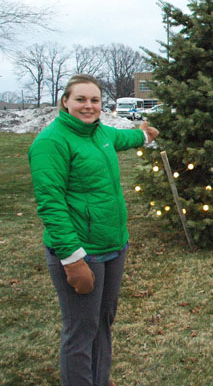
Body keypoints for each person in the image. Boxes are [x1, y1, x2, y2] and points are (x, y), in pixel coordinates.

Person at [28, 74, 159, 386]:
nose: (89, 106)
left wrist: (144, 136)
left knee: (102, 323)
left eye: (95, 100)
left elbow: (121, 139)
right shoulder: (51, 142)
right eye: (81, 100)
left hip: (114, 246)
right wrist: (73, 260)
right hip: (84, 254)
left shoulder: (98, 133)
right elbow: (51, 205)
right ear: (65, 102)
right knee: (80, 330)